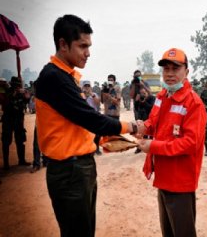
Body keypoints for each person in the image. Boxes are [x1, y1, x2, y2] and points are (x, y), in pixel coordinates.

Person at [34, 14, 139, 237]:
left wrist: (102, 139)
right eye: (82, 46)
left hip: (79, 167)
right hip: (69, 171)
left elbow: (78, 121)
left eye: (89, 46)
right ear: (63, 44)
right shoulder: (54, 77)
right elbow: (91, 118)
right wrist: (133, 127)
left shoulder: (67, 76)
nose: (88, 53)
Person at [136, 48, 207, 237]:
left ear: (187, 71)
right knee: (168, 232)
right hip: (163, 176)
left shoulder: (193, 104)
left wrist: (154, 147)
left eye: (175, 69)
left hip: (180, 181)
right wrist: (143, 127)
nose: (169, 74)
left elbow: (190, 143)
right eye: (166, 69)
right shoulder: (162, 96)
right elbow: (154, 122)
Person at [2, 76, 30, 170]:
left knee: (20, 140)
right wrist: (14, 93)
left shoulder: (21, 92)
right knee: (6, 141)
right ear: (12, 84)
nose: (18, 87)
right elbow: (6, 102)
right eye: (16, 85)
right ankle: (6, 163)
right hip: (8, 120)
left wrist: (27, 96)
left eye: (19, 85)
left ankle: (21, 160)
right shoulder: (7, 91)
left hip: (18, 120)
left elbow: (25, 101)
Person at [82, 80, 102, 155]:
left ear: (90, 87)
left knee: (97, 133)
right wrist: (84, 95)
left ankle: (97, 148)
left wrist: (91, 94)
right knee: (88, 134)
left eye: (88, 86)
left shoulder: (94, 94)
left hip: (94, 115)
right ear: (83, 87)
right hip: (85, 116)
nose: (87, 88)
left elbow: (97, 103)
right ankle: (90, 149)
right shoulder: (81, 95)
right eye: (85, 86)